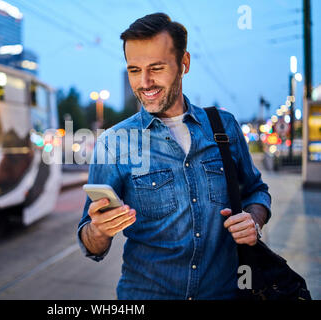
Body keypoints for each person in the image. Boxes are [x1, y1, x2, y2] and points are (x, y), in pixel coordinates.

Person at [77, 13, 271, 300]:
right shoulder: (113, 144)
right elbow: (90, 242)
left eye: (156, 68)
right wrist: (99, 231)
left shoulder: (224, 127)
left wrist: (254, 220)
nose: (144, 82)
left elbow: (256, 192)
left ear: (184, 64)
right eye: (133, 70)